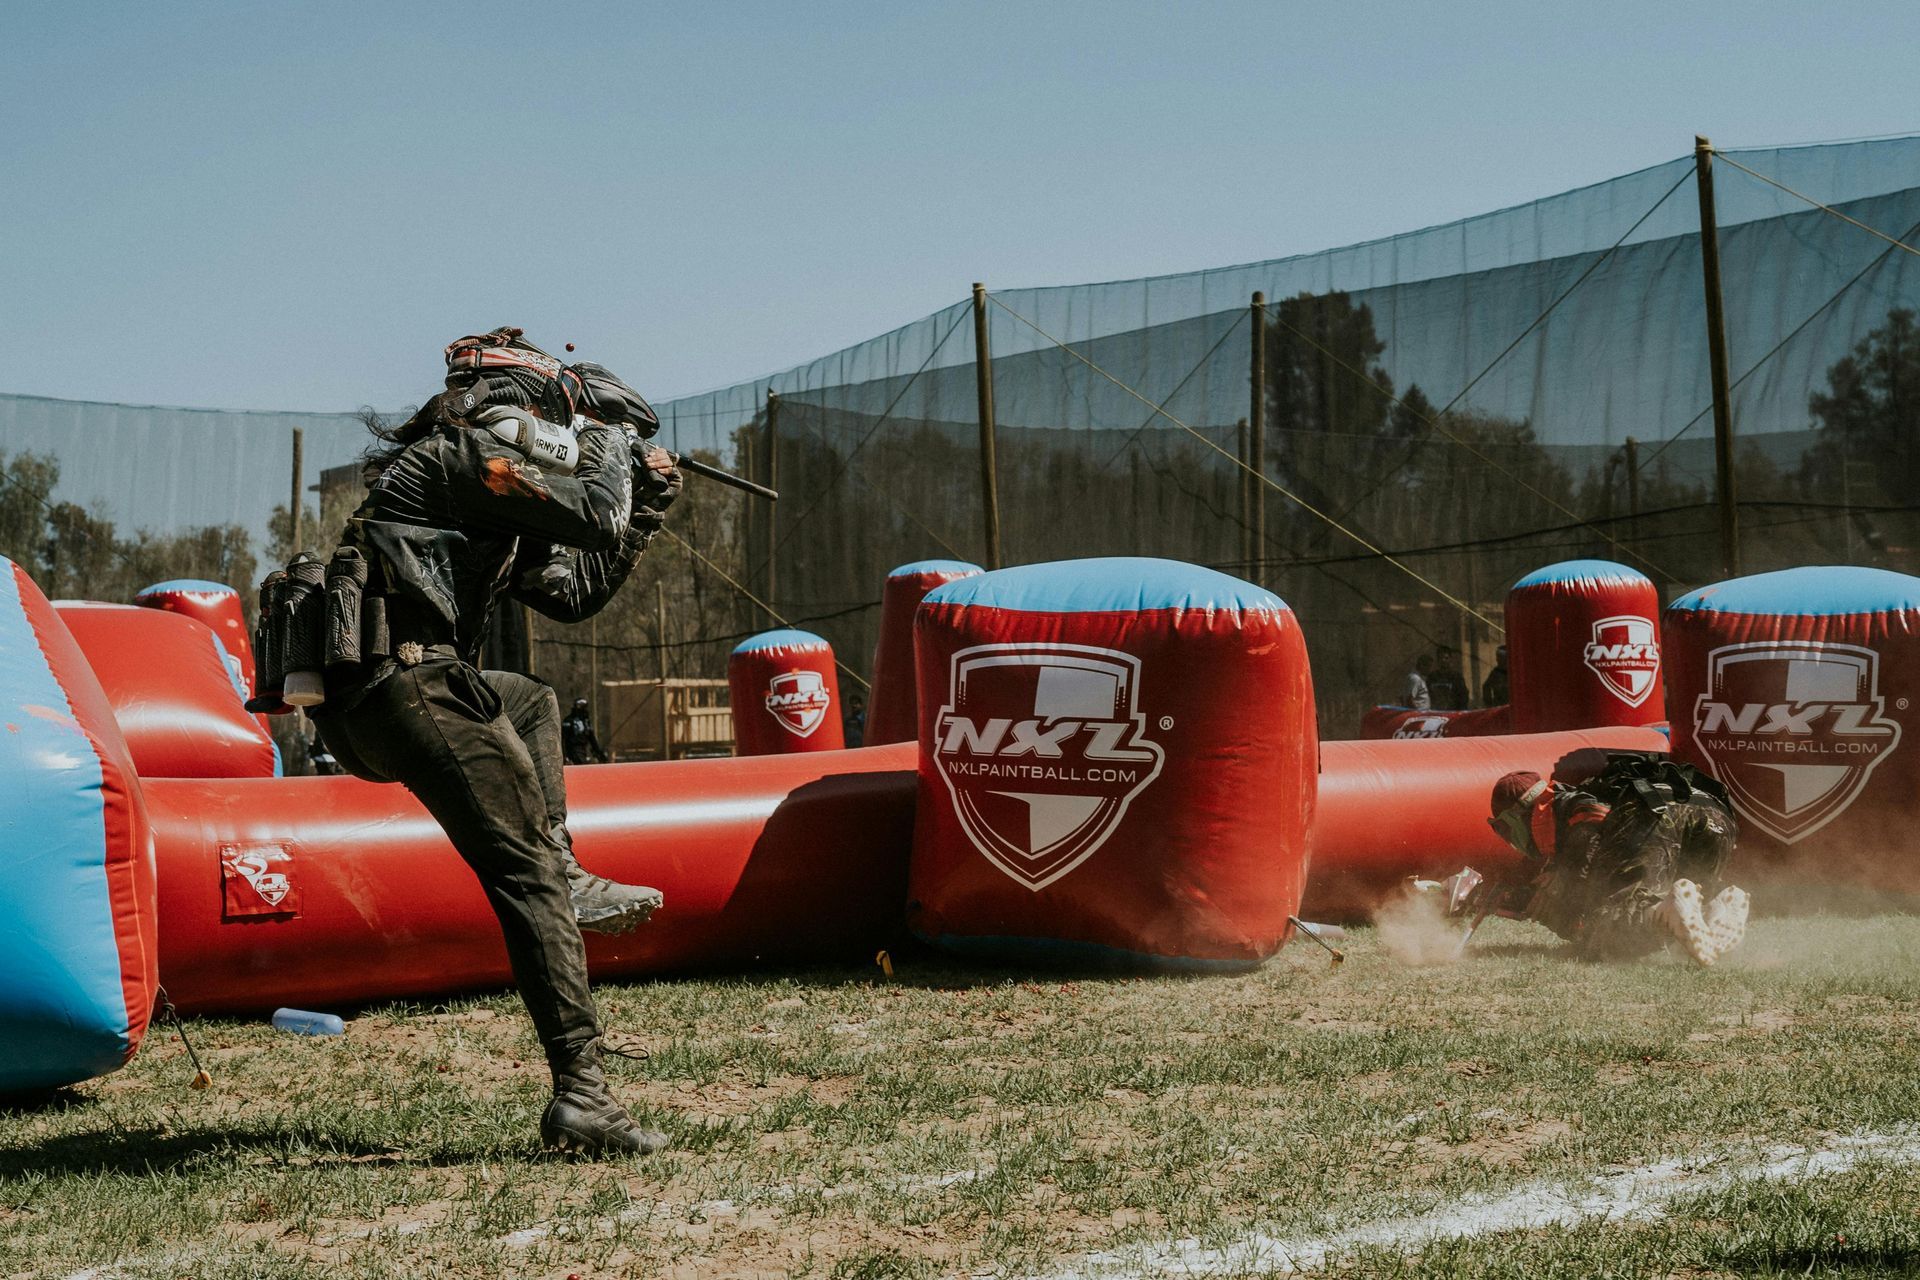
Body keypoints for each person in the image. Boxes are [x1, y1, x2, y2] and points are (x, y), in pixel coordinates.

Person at [307, 327, 679, 1155]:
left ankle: (563, 867)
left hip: (386, 697)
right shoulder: (463, 457)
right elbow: (594, 509)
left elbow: (571, 590)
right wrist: (613, 439)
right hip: (410, 682)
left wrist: (645, 508)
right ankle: (583, 1096)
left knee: (532, 703)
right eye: (556, 416)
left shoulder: (482, 480)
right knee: (526, 875)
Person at [1482, 753, 1749, 964]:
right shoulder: (1574, 800)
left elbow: (1593, 820)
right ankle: (1717, 905)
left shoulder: (1559, 806)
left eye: (1505, 830)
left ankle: (1663, 909)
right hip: (1713, 812)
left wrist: (1563, 881)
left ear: (1517, 816)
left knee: (1610, 929)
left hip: (1656, 809)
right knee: (1689, 908)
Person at [562, 697, 609, 764]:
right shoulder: (569, 720)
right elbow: (563, 739)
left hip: (583, 749)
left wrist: (598, 752)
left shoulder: (585, 721)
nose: (583, 710)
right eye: (581, 707)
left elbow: (591, 738)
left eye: (584, 707)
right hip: (573, 750)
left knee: (584, 764)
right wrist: (565, 755)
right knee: (580, 764)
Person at [1428, 645, 1467, 710]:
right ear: (1437, 659)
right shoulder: (1431, 677)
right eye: (1440, 658)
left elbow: (1463, 697)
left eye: (1446, 658)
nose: (1443, 660)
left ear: (1450, 659)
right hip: (1436, 713)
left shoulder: (1457, 677)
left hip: (1453, 713)